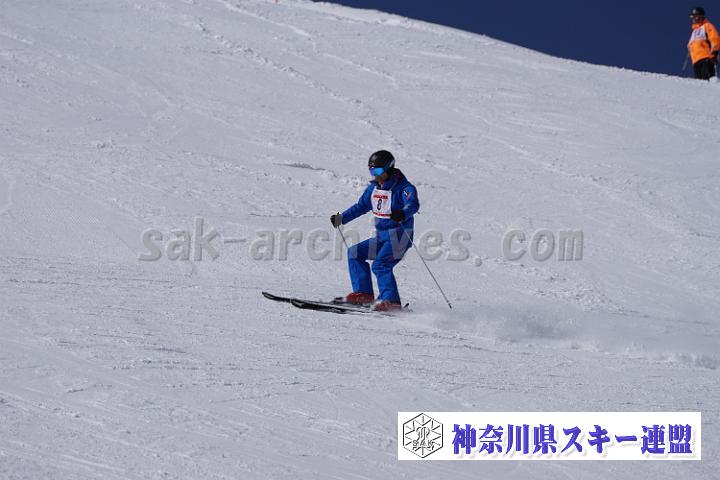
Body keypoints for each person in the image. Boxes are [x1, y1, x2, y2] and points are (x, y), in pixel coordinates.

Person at [330, 150, 420, 311]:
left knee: (380, 264)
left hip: (399, 237)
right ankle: (364, 294)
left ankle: (391, 301)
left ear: (388, 168)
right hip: (382, 237)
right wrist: (342, 218)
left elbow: (412, 204)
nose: (375, 174)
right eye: (371, 170)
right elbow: (361, 206)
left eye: (377, 170)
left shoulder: (404, 188)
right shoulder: (374, 189)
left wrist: (403, 213)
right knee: (355, 253)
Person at [688, 7, 719, 80]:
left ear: (701, 16)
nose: (694, 19)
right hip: (696, 61)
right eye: (693, 17)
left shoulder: (707, 26)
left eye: (696, 16)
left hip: (706, 58)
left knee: (707, 80)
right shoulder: (694, 32)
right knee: (699, 82)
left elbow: (715, 38)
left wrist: (714, 53)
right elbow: (690, 44)